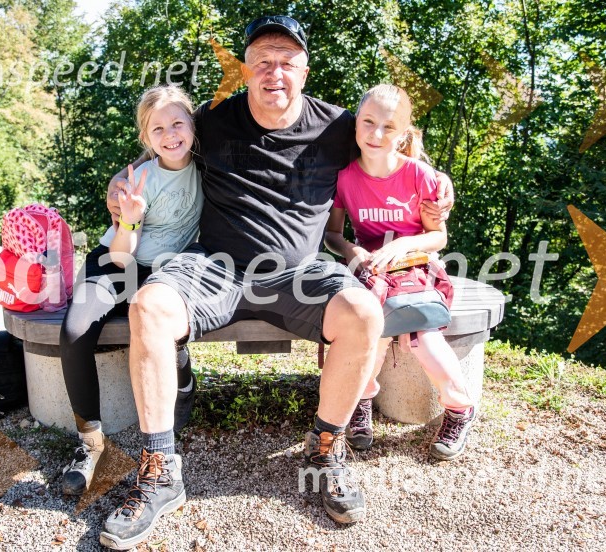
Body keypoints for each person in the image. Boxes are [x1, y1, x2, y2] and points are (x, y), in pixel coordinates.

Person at [99, 16, 455, 550]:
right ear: (245, 69)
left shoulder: (337, 126)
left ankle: (326, 447)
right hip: (214, 265)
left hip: (297, 270)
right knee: (149, 306)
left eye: (287, 62)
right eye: (262, 60)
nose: (275, 72)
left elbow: (391, 153)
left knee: (364, 313)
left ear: (305, 70)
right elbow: (157, 148)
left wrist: (435, 179)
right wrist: (117, 188)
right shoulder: (211, 121)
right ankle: (159, 469)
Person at [59, 84, 203, 496]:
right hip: (117, 259)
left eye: (178, 123)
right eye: (157, 129)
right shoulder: (138, 180)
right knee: (74, 330)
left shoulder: (209, 169)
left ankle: (183, 374)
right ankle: (90, 440)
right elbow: (122, 257)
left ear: (193, 124)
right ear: (145, 137)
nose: (170, 134)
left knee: (161, 316)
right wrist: (131, 219)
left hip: (167, 270)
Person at [324, 84, 476, 460]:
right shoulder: (344, 177)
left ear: (405, 133)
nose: (376, 134)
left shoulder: (421, 177)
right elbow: (332, 235)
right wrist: (353, 250)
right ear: (355, 123)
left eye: (389, 127)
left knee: (422, 336)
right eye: (368, 122)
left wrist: (400, 246)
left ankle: (460, 407)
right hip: (370, 271)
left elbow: (437, 237)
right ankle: (361, 403)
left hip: (413, 268)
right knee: (367, 333)